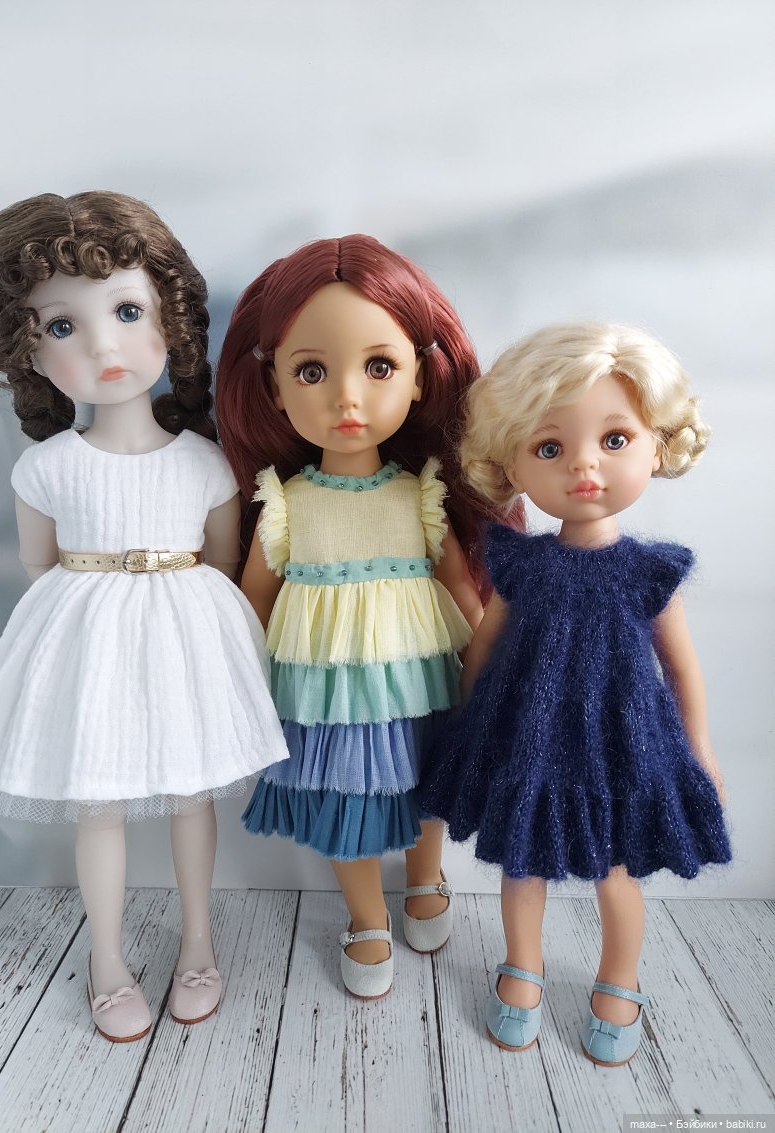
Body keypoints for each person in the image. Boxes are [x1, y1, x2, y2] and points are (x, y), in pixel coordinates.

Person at [0, 191, 288, 1041]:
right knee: (94, 798)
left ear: (169, 316)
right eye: (62, 326)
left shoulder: (204, 463)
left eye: (127, 311)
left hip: (185, 636)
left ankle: (199, 940)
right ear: (27, 350)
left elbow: (221, 560)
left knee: (190, 791)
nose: (103, 346)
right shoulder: (47, 469)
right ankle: (106, 958)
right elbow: (41, 566)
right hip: (88, 637)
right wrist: (78, 632)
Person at [215, 235, 520, 998]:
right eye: (312, 371)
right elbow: (254, 599)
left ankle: (424, 878)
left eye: (378, 366)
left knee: (425, 776)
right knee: (343, 795)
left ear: (420, 377)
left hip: (418, 669)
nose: (346, 398)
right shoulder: (284, 503)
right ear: (275, 389)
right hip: (324, 687)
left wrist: (494, 664)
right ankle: (365, 914)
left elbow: (460, 586)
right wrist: (235, 679)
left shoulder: (422, 493)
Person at [421, 322, 731, 1064]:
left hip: (622, 743)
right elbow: (486, 643)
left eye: (615, 439)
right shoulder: (523, 564)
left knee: (617, 872)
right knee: (521, 863)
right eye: (550, 447)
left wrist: (700, 749)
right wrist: (467, 719)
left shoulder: (649, 573)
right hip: (527, 740)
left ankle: (618, 978)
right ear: (511, 461)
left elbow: (683, 669)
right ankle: (521, 970)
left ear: (658, 445)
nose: (585, 464)